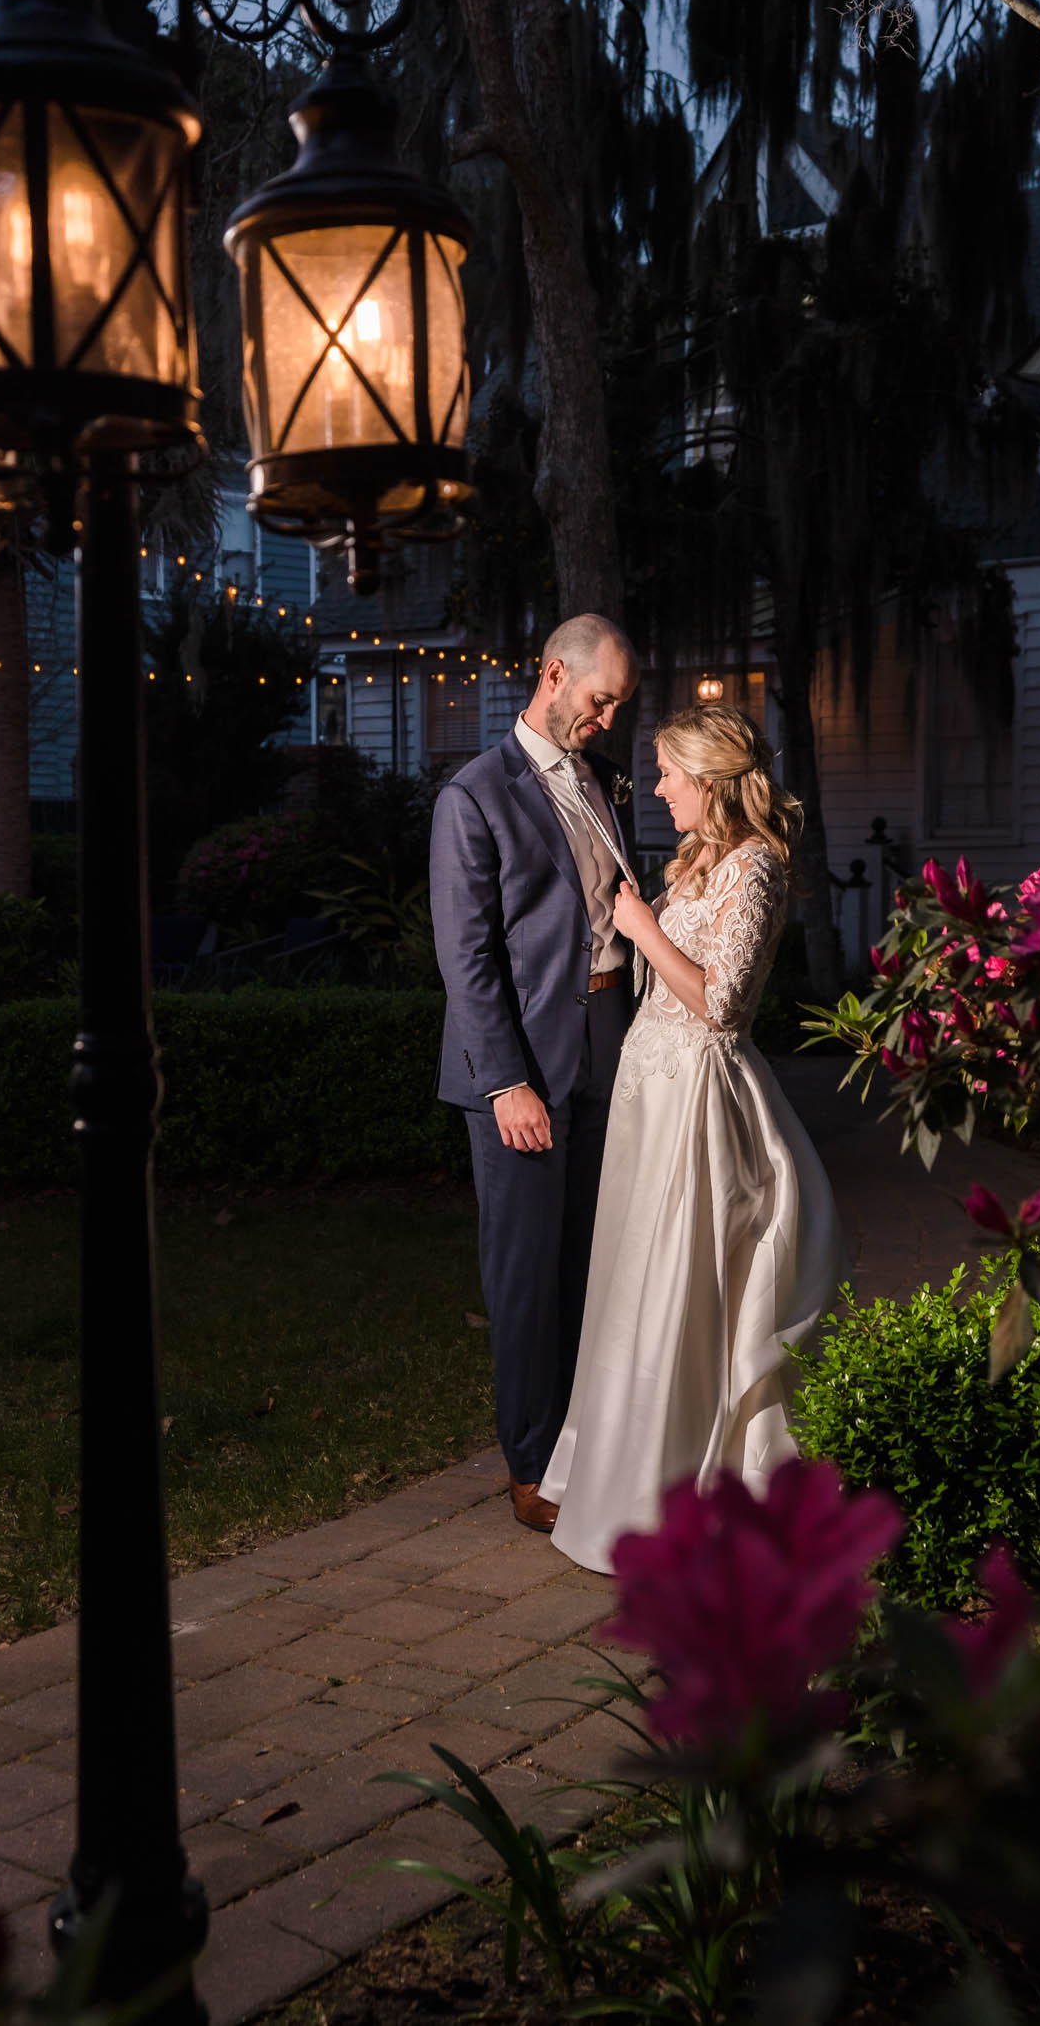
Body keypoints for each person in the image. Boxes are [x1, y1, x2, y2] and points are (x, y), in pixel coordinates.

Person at [540, 703, 845, 1574]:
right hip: (651, 1092)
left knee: (687, 1280)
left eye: (669, 772)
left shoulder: (754, 867)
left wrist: (640, 927)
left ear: (709, 778)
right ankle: (622, 1468)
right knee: (633, 1277)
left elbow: (724, 1005)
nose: (659, 787)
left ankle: (687, 1484)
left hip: (699, 1103)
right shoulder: (700, 861)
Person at [430, 614, 640, 1531]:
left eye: (617, 708)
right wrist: (503, 1082)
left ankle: (579, 1446)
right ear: (555, 676)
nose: (607, 721)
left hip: (609, 1041)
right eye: (600, 702)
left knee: (589, 1262)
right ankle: (530, 1467)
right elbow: (467, 957)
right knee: (524, 1271)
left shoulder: (599, 785)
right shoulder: (474, 797)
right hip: (521, 1068)